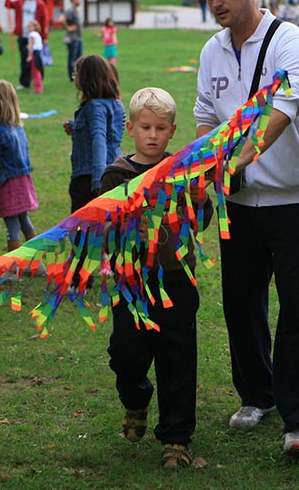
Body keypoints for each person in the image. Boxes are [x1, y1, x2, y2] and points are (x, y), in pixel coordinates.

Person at [192, 0, 299, 457]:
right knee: (242, 303)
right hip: (239, 203)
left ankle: (297, 418)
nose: (216, 3)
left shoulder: (289, 40)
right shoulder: (212, 51)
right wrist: (207, 161)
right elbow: (206, 112)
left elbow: (286, 106)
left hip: (296, 198)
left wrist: (245, 154)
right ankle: (256, 394)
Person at [101, 87, 212, 469]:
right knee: (126, 353)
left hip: (177, 280)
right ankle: (135, 398)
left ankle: (176, 438)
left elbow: (204, 219)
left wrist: (195, 198)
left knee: (177, 358)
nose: (152, 135)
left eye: (161, 128)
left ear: (172, 130)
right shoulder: (116, 175)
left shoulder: (181, 172)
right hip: (131, 285)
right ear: (130, 128)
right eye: (145, 127)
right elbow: (104, 226)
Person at [0, 80, 38, 252]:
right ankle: (38, 263)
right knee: (24, 220)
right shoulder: (19, 129)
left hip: (7, 184)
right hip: (23, 182)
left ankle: (13, 269)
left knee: (12, 226)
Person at [64, 55, 124, 212]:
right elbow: (109, 132)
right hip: (115, 170)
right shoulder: (116, 104)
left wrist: (98, 181)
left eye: (75, 74)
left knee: (82, 232)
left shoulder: (94, 107)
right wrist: (76, 126)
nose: (74, 78)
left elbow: (100, 140)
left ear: (85, 78)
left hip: (90, 178)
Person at [5, 0, 49, 90]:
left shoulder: (40, 4)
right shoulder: (21, 2)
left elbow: (45, 20)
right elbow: (8, 4)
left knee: (35, 60)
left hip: (34, 36)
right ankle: (24, 83)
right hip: (23, 35)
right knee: (24, 59)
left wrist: (45, 36)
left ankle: (37, 81)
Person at [64, 0, 83, 83]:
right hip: (72, 38)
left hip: (78, 38)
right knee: (72, 59)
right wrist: (68, 28)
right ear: (73, 0)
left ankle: (78, 77)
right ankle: (73, 78)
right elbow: (61, 19)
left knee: (79, 59)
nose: (80, 0)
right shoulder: (70, 10)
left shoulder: (75, 10)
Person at [26, 19, 44, 94]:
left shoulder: (32, 35)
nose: (28, 29)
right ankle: (38, 86)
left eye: (30, 27)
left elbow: (31, 45)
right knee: (37, 70)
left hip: (35, 54)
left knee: (35, 71)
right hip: (39, 53)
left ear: (34, 27)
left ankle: (38, 87)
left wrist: (30, 55)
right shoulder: (38, 34)